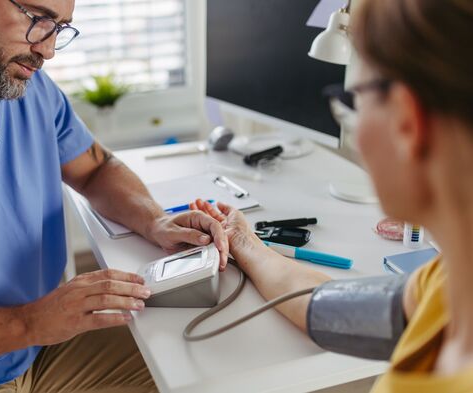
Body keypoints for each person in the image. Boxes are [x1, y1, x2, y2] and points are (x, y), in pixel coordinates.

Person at [0, 0, 229, 391]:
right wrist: (31, 322)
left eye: (60, 28)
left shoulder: (21, 84)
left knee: (212, 363)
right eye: (36, 18)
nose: (47, 49)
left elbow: (96, 169)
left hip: (35, 351)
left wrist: (156, 220)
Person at [191, 0, 473, 391]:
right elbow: (321, 306)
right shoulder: (447, 280)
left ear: (408, 124)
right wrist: (243, 241)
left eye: (350, 101)